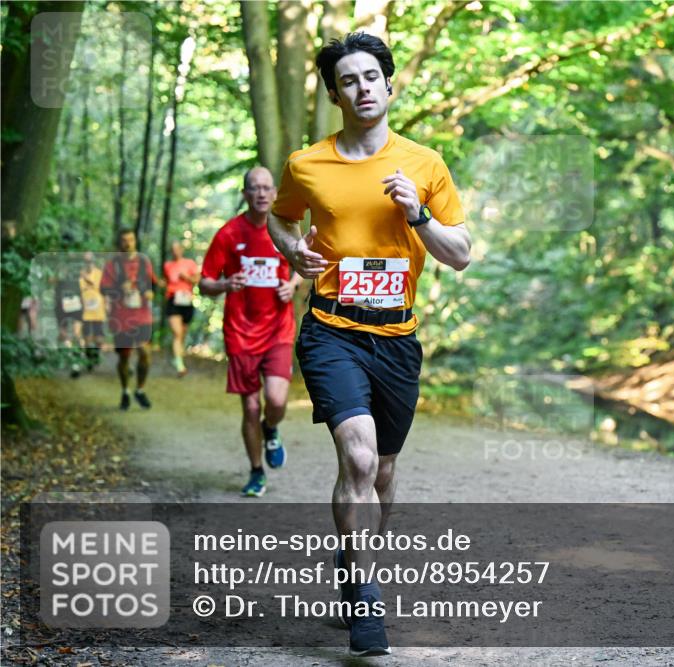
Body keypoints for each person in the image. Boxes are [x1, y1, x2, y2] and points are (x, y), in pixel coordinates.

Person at [268, 32, 471, 657]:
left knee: (382, 471)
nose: (361, 89)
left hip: (398, 338)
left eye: (370, 78)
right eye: (347, 81)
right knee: (357, 459)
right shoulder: (307, 164)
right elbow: (282, 216)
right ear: (335, 93)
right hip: (332, 328)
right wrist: (291, 248)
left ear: (389, 85)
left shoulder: (425, 164)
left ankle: (355, 559)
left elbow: (460, 255)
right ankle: (364, 597)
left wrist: (418, 216)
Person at [200, 167, 301, 498]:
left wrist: (292, 285)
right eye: (253, 188)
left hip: (278, 329)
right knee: (250, 408)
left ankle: (272, 429)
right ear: (245, 195)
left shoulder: (285, 230)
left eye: (266, 188)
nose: (260, 193)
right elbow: (204, 283)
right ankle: (257, 471)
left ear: (274, 194)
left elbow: (305, 264)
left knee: (274, 399)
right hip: (240, 332)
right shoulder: (229, 234)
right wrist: (226, 284)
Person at [101, 230, 156, 409]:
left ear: (135, 241)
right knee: (124, 357)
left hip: (142, 316)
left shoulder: (143, 261)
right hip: (121, 317)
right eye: (124, 240)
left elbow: (153, 283)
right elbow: (104, 289)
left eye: (131, 239)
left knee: (145, 353)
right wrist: (119, 288)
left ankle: (140, 389)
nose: (128, 243)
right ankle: (125, 391)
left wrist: (150, 291)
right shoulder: (113, 264)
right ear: (119, 243)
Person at [163, 241, 200, 377]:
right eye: (173, 249)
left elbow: (196, 279)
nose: (175, 251)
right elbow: (166, 281)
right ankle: (179, 365)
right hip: (173, 300)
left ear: (181, 250)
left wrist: (186, 277)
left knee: (182, 334)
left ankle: (177, 357)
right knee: (177, 333)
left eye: (177, 248)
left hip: (186, 300)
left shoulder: (189, 263)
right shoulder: (167, 265)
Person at [53, 258, 84, 377]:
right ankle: (62, 354)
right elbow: (50, 280)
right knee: (63, 335)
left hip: (76, 306)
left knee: (76, 334)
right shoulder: (57, 272)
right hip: (61, 306)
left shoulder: (79, 273)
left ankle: (76, 362)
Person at [79, 251, 106, 371]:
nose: (88, 263)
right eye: (85, 261)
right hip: (84, 311)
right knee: (86, 337)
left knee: (99, 337)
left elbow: (102, 288)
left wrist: (86, 278)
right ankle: (89, 358)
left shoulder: (99, 274)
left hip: (98, 310)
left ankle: (96, 354)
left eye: (89, 260)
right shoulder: (79, 275)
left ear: (93, 261)